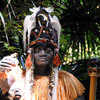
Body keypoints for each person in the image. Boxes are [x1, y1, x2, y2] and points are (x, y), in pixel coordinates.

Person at [0, 7, 85, 100]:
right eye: (38, 50)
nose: (43, 53)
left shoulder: (67, 80)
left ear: (54, 54)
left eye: (48, 50)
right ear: (30, 54)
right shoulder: (18, 77)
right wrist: (2, 70)